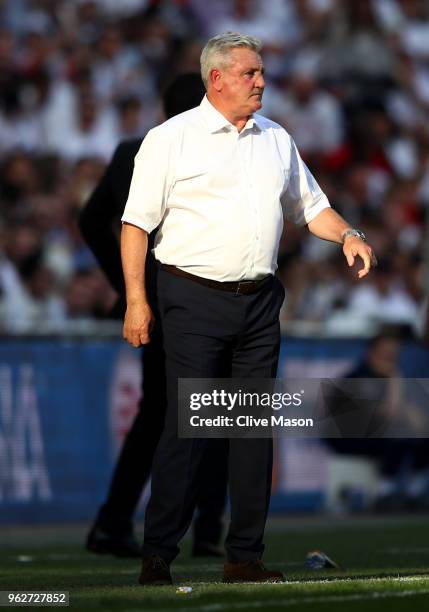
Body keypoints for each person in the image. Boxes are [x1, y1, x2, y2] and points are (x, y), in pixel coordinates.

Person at [121, 32, 377, 585]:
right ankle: (159, 553)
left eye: (260, 72)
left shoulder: (276, 139)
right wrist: (137, 301)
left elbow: (313, 207)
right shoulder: (171, 139)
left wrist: (350, 233)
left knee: (252, 430)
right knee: (191, 426)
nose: (261, 82)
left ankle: (244, 557)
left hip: (260, 301)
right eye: (250, 73)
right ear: (217, 79)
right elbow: (135, 225)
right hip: (191, 296)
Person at [79, 73, 228, 559]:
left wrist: (128, 286)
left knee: (158, 413)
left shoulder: (131, 151)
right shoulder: (210, 155)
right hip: (201, 299)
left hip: (154, 301)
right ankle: (206, 528)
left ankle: (115, 521)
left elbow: (90, 220)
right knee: (211, 409)